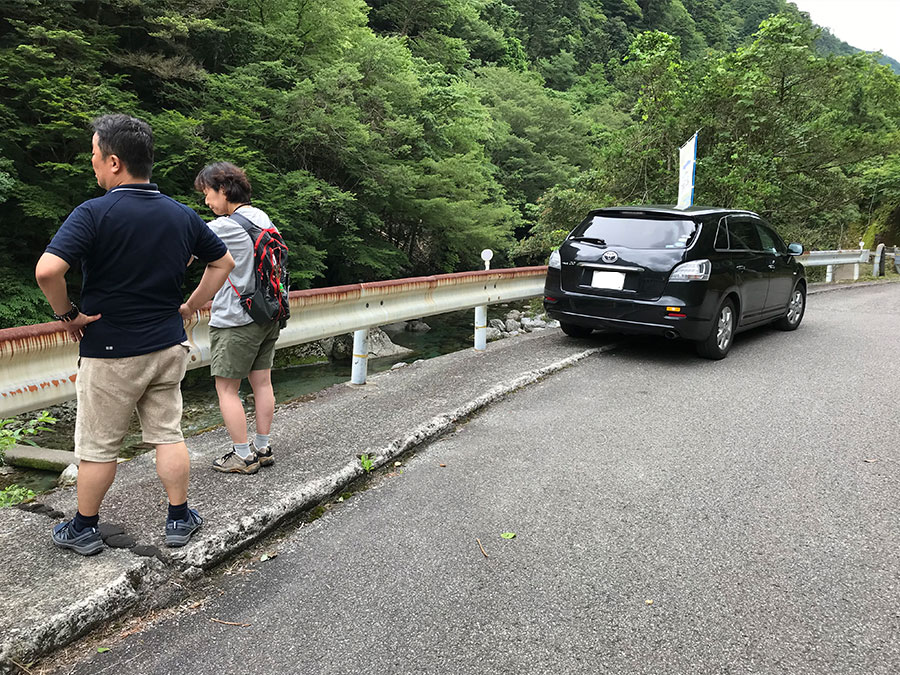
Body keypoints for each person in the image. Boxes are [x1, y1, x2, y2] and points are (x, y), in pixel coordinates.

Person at [35, 114, 235, 555]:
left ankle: (85, 527)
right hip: (167, 343)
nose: (91, 164)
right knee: (168, 434)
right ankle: (179, 519)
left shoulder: (94, 212)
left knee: (98, 447)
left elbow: (48, 270)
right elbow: (222, 263)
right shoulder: (181, 215)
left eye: (93, 156)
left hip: (109, 350)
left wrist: (68, 315)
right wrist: (190, 306)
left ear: (113, 162)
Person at [193, 162, 281, 475]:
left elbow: (190, 256)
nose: (206, 201)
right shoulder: (261, 218)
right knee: (262, 382)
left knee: (227, 389)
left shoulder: (225, 226)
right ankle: (263, 447)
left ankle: (243, 456)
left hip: (235, 319)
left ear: (224, 189)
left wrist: (189, 305)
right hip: (267, 314)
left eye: (208, 193)